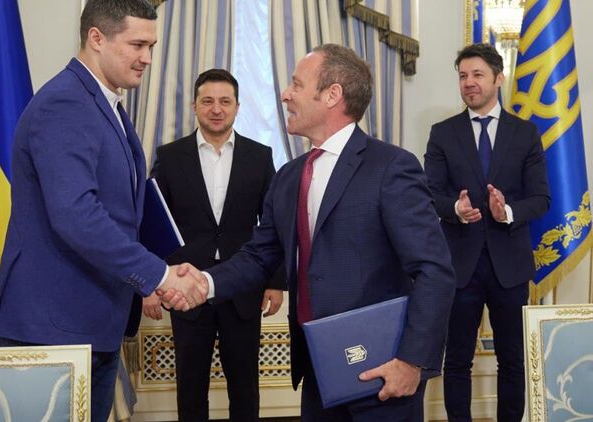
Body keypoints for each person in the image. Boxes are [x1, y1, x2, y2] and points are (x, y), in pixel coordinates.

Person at [171, 44, 456, 421]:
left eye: (296, 85)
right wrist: (204, 283)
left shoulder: (391, 167)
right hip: (318, 372)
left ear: (332, 95)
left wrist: (412, 361)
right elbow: (259, 256)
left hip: (384, 373)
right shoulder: (290, 176)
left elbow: (434, 270)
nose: (285, 94)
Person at [0, 1, 205, 421]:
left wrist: (154, 271)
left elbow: (120, 210)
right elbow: (76, 214)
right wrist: (158, 274)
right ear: (96, 38)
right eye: (137, 45)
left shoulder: (104, 104)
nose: (147, 58)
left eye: (152, 46)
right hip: (51, 329)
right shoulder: (65, 103)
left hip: (89, 323)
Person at [144, 69, 285, 422]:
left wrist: (275, 281)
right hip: (185, 287)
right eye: (207, 101)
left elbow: (273, 225)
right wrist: (149, 284)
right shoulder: (170, 156)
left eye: (225, 101)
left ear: (237, 106)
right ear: (194, 106)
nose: (216, 109)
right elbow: (155, 224)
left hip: (243, 287)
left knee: (245, 385)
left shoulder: (259, 155)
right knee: (191, 387)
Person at [424, 43, 550, 422]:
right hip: (459, 266)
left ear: (498, 78)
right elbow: (429, 194)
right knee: (456, 360)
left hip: (509, 266)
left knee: (512, 360)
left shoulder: (525, 133)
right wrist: (456, 209)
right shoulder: (443, 133)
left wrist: (506, 211)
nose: (469, 83)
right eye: (463, 76)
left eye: (477, 75)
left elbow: (540, 198)